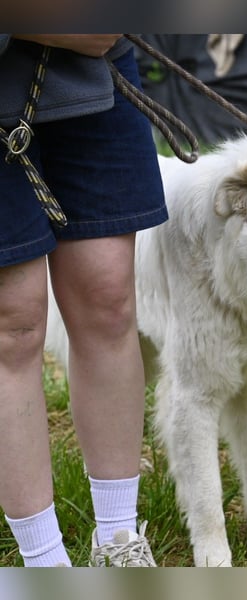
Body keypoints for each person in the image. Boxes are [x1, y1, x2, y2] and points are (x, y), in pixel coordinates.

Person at [0, 34, 167, 567]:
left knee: (110, 300)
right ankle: (45, 563)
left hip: (94, 76)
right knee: (13, 325)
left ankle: (120, 543)